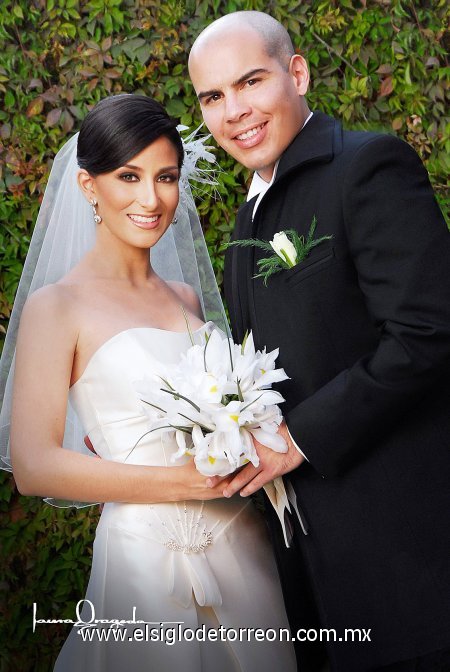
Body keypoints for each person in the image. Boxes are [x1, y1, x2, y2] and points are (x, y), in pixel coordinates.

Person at [188, 11, 450, 672]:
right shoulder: (247, 217)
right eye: (213, 97)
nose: (234, 111)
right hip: (313, 576)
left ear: (296, 72)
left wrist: (296, 440)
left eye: (250, 82)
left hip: (407, 561)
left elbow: (428, 331)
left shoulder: (366, 165)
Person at [0, 94, 297, 671]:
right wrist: (182, 482)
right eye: (127, 176)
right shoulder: (55, 308)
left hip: (240, 537)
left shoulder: (186, 299)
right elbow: (33, 464)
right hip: (146, 551)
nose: (150, 198)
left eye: (164, 177)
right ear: (89, 186)